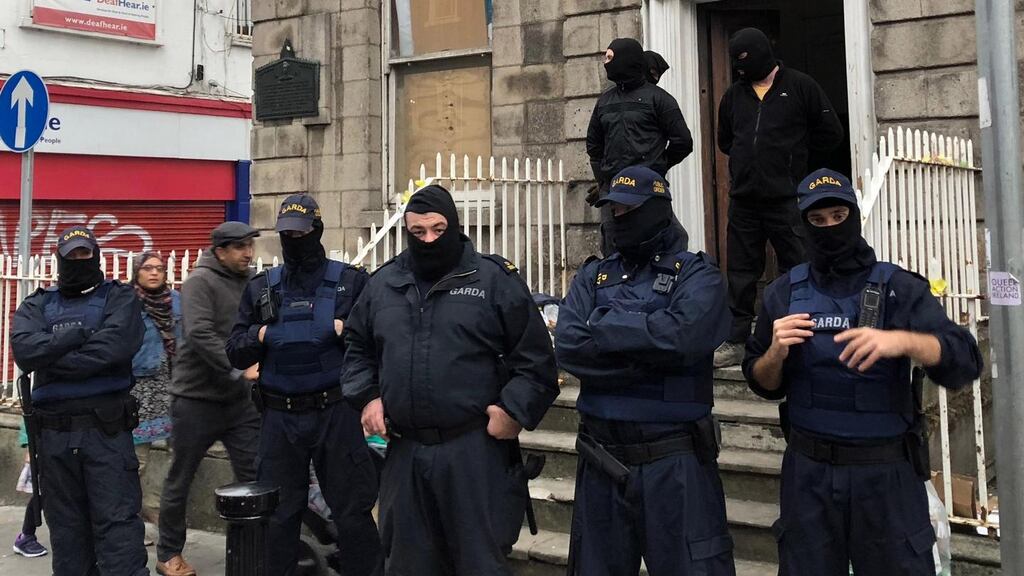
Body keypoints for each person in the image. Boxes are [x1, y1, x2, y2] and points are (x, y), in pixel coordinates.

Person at [742, 169, 983, 575]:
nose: (830, 228)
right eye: (817, 221)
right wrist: (775, 352)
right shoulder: (783, 292)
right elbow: (762, 383)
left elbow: (966, 360)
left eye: (838, 216)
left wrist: (904, 342)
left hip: (884, 475)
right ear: (802, 226)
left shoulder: (898, 287)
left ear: (854, 215)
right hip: (808, 476)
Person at [342, 184, 559, 576]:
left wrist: (514, 411)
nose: (428, 240)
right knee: (406, 564)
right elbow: (356, 348)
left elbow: (536, 360)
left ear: (455, 226)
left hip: (473, 452)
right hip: (404, 455)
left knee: (479, 564)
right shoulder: (383, 284)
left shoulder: (493, 280)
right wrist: (368, 396)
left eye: (438, 230)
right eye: (418, 232)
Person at [555, 166, 735, 576]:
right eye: (612, 211)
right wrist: (649, 344)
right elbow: (569, 345)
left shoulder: (696, 275)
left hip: (675, 462)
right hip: (602, 460)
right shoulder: (593, 276)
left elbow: (684, 339)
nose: (617, 219)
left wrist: (604, 326)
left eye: (627, 210)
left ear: (655, 210)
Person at [227, 194, 382, 576]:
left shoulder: (350, 282)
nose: (292, 240)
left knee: (353, 515)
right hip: (280, 417)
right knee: (278, 518)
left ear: (317, 231)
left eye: (300, 232)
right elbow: (234, 352)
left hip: (336, 413)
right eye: (285, 233)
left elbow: (376, 346)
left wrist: (346, 335)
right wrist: (261, 334)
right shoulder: (263, 288)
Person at [11, 225, 147, 575]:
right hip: (54, 438)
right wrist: (80, 336)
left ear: (96, 254)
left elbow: (114, 349)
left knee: (118, 534)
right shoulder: (37, 303)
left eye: (85, 253)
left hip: (106, 434)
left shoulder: (119, 297)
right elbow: (25, 350)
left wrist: (54, 355)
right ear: (60, 258)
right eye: (72, 255)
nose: (79, 259)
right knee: (68, 537)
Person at [714, 28, 845, 368]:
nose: (742, 71)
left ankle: (801, 334)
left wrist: (795, 164)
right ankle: (737, 339)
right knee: (741, 271)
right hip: (744, 200)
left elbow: (830, 133)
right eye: (737, 65)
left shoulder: (800, 86)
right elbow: (726, 140)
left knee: (799, 264)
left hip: (788, 197)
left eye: (746, 62)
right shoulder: (734, 95)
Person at [157, 222, 262, 576]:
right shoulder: (199, 282)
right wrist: (238, 370)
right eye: (239, 247)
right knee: (180, 478)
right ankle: (168, 552)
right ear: (220, 251)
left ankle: (253, 551)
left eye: (249, 245)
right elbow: (200, 334)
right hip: (196, 400)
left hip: (239, 402)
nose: (248, 253)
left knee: (255, 476)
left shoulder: (249, 282)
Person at [587, 37, 693, 255]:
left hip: (648, 191)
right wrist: (604, 180)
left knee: (665, 243)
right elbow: (594, 147)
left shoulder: (660, 99)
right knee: (614, 249)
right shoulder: (604, 102)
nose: (605, 63)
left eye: (609, 57)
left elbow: (683, 141)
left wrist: (656, 168)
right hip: (614, 192)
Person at [130, 252, 181, 533]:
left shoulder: (175, 302)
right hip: (139, 388)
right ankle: (132, 517)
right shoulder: (127, 303)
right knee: (137, 460)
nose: (154, 273)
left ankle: (158, 509)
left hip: (174, 386)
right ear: (137, 272)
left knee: (180, 456)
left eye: (159, 268)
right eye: (147, 268)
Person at [12, 438, 48, 558]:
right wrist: (29, 445)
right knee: (41, 495)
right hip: (42, 449)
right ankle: (26, 536)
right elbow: (26, 424)